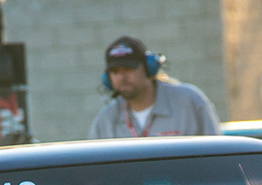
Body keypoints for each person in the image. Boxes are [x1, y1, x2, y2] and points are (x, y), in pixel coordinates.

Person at [88, 36, 221, 139]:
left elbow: (217, 157)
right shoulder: (105, 120)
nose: (122, 77)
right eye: (115, 72)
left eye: (129, 68)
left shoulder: (190, 102)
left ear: (149, 68)